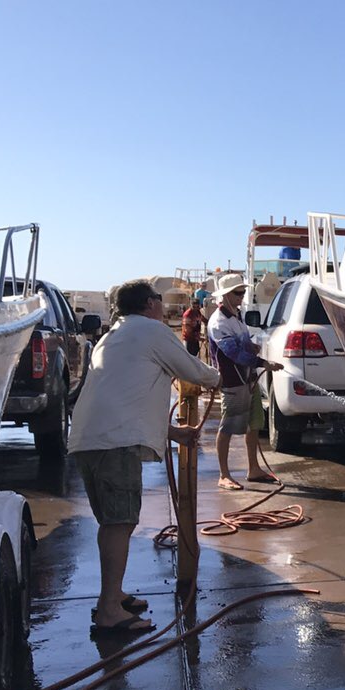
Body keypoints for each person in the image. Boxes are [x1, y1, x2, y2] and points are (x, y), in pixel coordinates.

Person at [69, 279, 221, 636]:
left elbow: (125, 397)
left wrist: (174, 433)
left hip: (90, 440)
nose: (162, 306)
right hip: (114, 444)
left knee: (113, 522)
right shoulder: (151, 331)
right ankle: (109, 610)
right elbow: (193, 371)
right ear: (149, 304)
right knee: (119, 523)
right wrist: (223, 378)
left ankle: (113, 596)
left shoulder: (113, 336)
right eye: (158, 299)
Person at [206, 272, 283, 490]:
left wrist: (251, 347)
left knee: (254, 424)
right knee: (228, 426)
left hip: (248, 378)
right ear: (225, 296)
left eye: (242, 292)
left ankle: (253, 468)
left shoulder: (236, 316)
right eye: (237, 293)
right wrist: (263, 362)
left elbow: (242, 345)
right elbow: (232, 354)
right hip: (233, 382)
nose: (241, 297)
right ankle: (224, 474)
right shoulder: (219, 322)